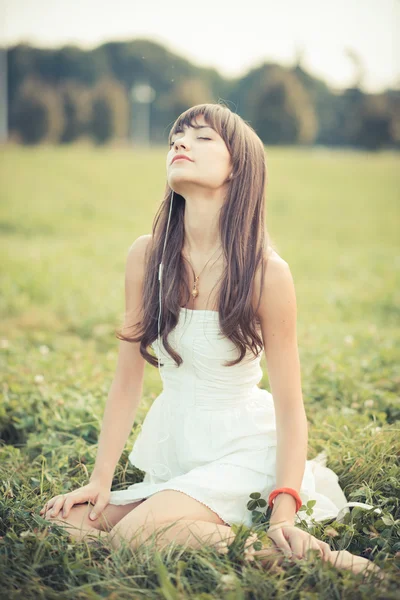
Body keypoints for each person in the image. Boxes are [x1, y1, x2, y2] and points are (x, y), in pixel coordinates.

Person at [40, 103, 383, 579]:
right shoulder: (145, 257)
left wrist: (284, 506)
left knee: (134, 537)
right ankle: (230, 540)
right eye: (176, 137)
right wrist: (99, 481)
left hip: (243, 450)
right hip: (178, 451)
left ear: (237, 167)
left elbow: (289, 405)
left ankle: (322, 558)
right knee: (63, 525)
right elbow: (126, 384)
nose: (180, 143)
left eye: (202, 138)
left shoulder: (267, 273)